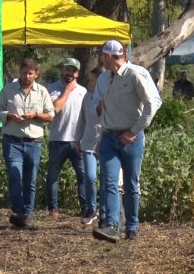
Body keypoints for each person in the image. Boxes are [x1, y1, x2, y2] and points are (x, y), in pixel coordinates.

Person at [92, 40, 156, 243]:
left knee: (131, 183)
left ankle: (132, 226)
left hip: (132, 138)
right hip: (110, 136)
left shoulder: (135, 75)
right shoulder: (103, 78)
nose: (102, 58)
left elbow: (151, 105)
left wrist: (134, 130)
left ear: (110, 57)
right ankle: (112, 225)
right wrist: (100, 136)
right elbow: (102, 109)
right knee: (109, 181)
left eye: (104, 55)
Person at [0, 58, 54, 228]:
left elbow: (50, 115)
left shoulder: (42, 92)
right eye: (24, 73)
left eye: (30, 73)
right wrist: (9, 116)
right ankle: (18, 210)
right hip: (12, 141)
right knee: (15, 174)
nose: (27, 76)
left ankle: (27, 214)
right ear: (19, 72)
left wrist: (35, 115)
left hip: (34, 142)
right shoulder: (8, 90)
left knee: (31, 180)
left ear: (36, 74)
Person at [45, 58, 87, 219]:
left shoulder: (83, 91)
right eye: (67, 69)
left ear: (77, 73)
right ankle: (53, 209)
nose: (70, 73)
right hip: (58, 140)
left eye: (73, 70)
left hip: (78, 141)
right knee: (53, 176)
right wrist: (68, 90)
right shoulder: (52, 89)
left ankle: (85, 208)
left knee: (83, 177)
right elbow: (56, 108)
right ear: (62, 71)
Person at [75, 66, 104, 225]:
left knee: (107, 179)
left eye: (94, 80)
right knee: (90, 177)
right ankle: (91, 208)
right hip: (88, 143)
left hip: (105, 143)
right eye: (91, 80)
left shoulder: (109, 97)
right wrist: (77, 139)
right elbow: (82, 120)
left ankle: (105, 209)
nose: (90, 83)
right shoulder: (87, 97)